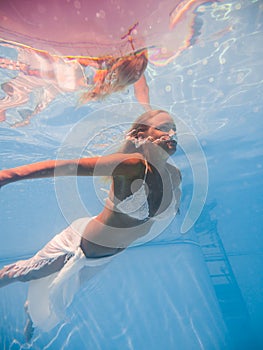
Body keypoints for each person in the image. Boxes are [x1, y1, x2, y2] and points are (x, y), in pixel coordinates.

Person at [0, 109, 181, 340]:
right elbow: (66, 167)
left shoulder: (174, 176)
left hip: (106, 256)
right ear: (141, 134)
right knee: (22, 274)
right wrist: (7, 176)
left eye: (175, 128)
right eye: (164, 128)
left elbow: (168, 210)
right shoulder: (131, 165)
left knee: (64, 291)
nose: (172, 133)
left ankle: (30, 312)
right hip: (79, 245)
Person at [0, 41, 150, 126]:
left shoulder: (98, 69)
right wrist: (148, 110)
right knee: (29, 98)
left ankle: (11, 110)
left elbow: (141, 88)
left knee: (29, 98)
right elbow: (141, 88)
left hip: (52, 73)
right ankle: (13, 110)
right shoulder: (130, 71)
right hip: (52, 75)